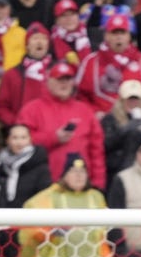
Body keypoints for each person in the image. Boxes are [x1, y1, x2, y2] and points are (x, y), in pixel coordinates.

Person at [18, 59, 106, 189]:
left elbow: (96, 151)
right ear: (48, 81)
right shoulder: (31, 110)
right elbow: (19, 145)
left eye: (68, 79)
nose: (64, 84)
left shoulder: (85, 110)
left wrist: (98, 183)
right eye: (59, 80)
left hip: (80, 186)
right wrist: (53, 138)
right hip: (43, 186)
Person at [76, 13, 141, 116]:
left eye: (122, 33)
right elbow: (80, 96)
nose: (119, 37)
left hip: (136, 120)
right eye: (114, 33)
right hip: (103, 120)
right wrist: (93, 114)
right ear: (106, 36)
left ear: (129, 36)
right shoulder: (91, 62)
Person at [0, 22, 55, 126]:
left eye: (44, 38)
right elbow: (1, 107)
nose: (39, 42)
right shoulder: (12, 74)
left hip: (53, 129)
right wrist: (16, 123)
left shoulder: (58, 71)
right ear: (27, 45)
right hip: (22, 132)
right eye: (35, 38)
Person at [101, 79, 141, 173]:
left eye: (136, 99)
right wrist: (124, 130)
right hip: (119, 170)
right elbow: (105, 146)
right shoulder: (110, 120)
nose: (133, 103)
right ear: (121, 101)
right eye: (130, 99)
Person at [0, 123, 51, 208]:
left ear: (30, 140)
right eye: (15, 138)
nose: (19, 142)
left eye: (23, 138)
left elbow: (44, 197)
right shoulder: (0, 165)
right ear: (7, 140)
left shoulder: (40, 167)